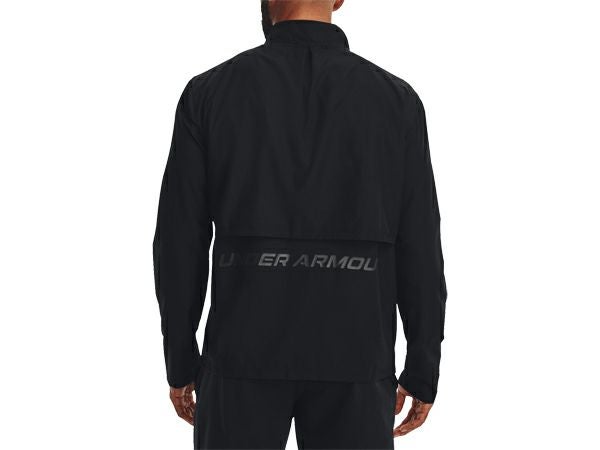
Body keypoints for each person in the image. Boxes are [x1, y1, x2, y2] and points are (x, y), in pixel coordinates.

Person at [153, 1, 447, 448]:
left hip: (240, 355)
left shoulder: (210, 93)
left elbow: (179, 242)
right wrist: (423, 364)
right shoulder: (396, 102)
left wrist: (180, 357)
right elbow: (420, 244)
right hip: (357, 356)